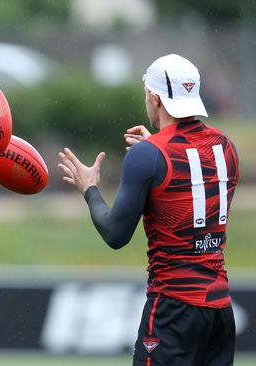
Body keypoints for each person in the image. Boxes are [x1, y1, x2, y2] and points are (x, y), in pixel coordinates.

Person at [58, 54, 239, 365]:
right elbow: (189, 178)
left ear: (155, 99)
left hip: (173, 311)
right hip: (220, 312)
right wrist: (154, 149)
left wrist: (89, 189)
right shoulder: (225, 146)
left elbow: (115, 234)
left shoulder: (148, 154)